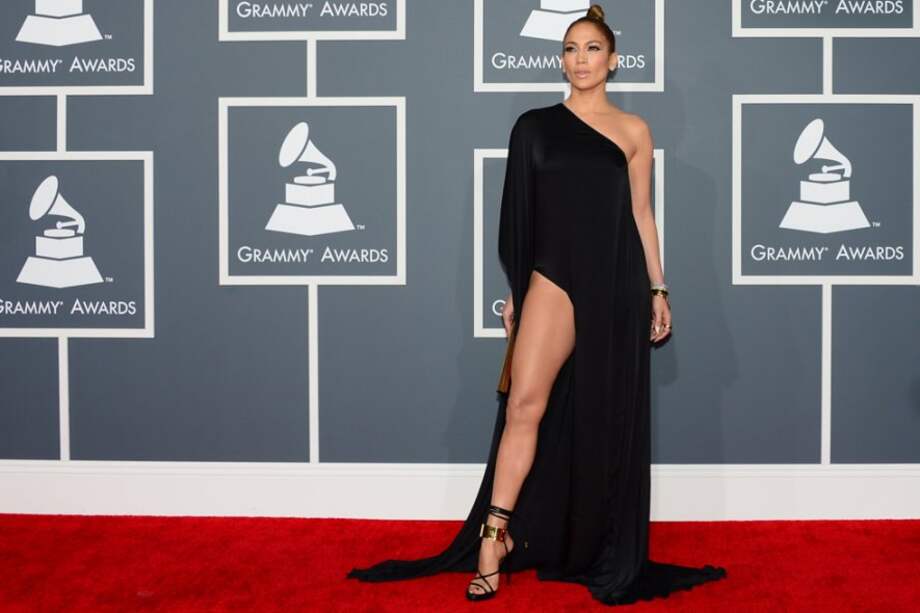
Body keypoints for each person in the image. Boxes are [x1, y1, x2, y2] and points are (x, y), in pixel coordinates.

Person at [347, 5, 727, 605]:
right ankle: (492, 538)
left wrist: (658, 287)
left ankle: (589, 540)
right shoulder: (534, 127)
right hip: (552, 277)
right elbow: (519, 216)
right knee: (525, 404)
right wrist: (520, 293)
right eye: (571, 49)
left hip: (616, 283)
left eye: (592, 49)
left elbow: (641, 215)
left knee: (604, 419)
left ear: (614, 60)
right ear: (561, 60)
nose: (580, 59)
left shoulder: (634, 131)